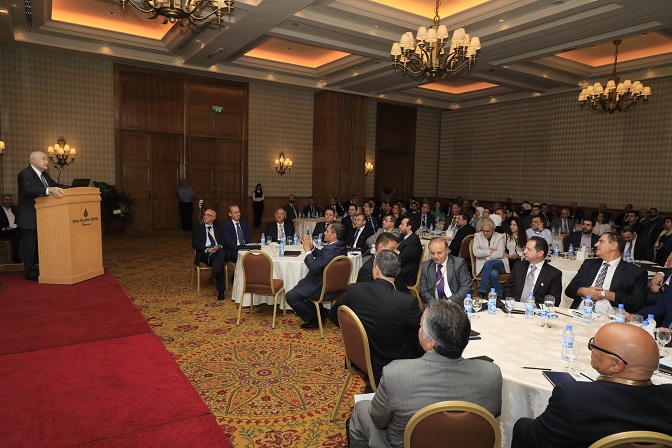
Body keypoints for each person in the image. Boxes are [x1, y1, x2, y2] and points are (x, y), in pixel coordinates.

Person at [348, 299, 503, 448]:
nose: (419, 328)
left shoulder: (394, 374)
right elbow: (492, 416)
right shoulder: (492, 373)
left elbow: (378, 420)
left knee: (361, 408)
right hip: (466, 443)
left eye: (421, 326)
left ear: (430, 342)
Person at [512, 323, 672, 448]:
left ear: (616, 364)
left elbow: (538, 442)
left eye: (594, 346)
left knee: (523, 426)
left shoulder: (574, 397)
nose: (591, 350)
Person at [333, 250, 423, 385]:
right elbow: (425, 332)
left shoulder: (354, 290)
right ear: (398, 272)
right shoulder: (406, 302)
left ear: (376, 270)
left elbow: (335, 316)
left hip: (359, 357)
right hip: (393, 364)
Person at [565, 232, 648, 313]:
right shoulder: (589, 265)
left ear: (614, 246)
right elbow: (569, 290)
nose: (596, 244)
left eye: (601, 241)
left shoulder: (634, 272)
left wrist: (607, 294)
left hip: (609, 318)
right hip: (579, 313)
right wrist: (583, 291)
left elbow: (637, 302)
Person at [286, 222, 347, 329]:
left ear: (334, 235)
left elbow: (314, 269)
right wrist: (312, 248)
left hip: (321, 287)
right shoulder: (340, 246)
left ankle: (314, 319)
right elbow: (324, 256)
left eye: (327, 231)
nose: (324, 233)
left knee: (291, 296)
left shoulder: (330, 250)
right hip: (335, 285)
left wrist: (307, 251)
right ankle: (320, 312)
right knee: (301, 284)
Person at [16, 151, 67, 281]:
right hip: (29, 216)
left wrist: (74, 188)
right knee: (30, 245)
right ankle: (30, 271)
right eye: (43, 159)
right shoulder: (25, 174)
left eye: (47, 159)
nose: (47, 161)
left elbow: (55, 185)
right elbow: (26, 191)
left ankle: (44, 267)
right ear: (33, 161)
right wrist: (48, 190)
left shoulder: (45, 175)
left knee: (42, 244)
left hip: (44, 216)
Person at [504, 237, 562, 305]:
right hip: (514, 306)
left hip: (537, 309)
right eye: (525, 248)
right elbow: (508, 288)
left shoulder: (553, 274)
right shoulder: (519, 266)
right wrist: (511, 302)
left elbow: (554, 300)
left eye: (529, 249)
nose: (524, 251)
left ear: (540, 253)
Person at [419, 237, 472, 304]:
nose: (435, 256)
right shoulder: (426, 266)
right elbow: (423, 291)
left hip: (454, 303)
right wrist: (435, 304)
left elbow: (466, 287)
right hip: (434, 304)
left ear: (447, 250)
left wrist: (448, 302)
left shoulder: (458, 264)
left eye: (439, 253)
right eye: (432, 253)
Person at [192, 209, 226, 300]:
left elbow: (224, 242)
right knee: (220, 261)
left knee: (221, 253)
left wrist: (219, 246)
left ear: (213, 218)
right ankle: (221, 290)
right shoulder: (197, 229)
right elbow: (195, 244)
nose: (205, 216)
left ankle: (214, 275)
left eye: (208, 215)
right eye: (205, 214)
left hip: (217, 252)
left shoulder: (219, 228)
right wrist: (207, 249)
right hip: (204, 254)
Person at [473, 220, 510, 299]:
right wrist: (490, 251)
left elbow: (500, 254)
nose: (485, 233)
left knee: (489, 263)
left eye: (488, 231)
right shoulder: (477, 236)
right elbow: (476, 252)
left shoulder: (500, 236)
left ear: (493, 230)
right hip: (483, 265)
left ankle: (482, 290)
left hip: (500, 263)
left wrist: (485, 256)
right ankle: (499, 296)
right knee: (493, 273)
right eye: (483, 230)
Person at [395, 217, 423, 292]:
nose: (399, 226)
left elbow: (400, 259)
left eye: (402, 224)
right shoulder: (402, 237)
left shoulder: (413, 241)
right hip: (399, 268)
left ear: (409, 227)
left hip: (405, 273)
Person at [0, 194, 21, 263]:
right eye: (6, 200)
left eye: (10, 200)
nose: (8, 201)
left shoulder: (14, 209)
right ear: (1, 201)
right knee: (15, 233)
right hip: (4, 231)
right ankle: (16, 256)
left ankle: (35, 256)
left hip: (16, 228)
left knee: (30, 232)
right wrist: (4, 228)